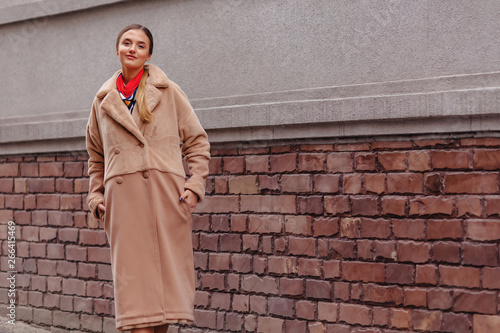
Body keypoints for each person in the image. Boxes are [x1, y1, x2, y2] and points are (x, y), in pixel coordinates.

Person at [86, 24, 210, 333]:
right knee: (136, 305)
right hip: (125, 206)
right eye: (126, 43)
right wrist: (96, 196)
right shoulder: (102, 101)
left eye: (140, 45)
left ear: (148, 54)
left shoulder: (168, 91)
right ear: (117, 50)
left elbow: (197, 141)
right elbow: (95, 156)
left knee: (163, 303)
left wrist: (194, 186)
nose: (132, 49)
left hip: (167, 200)